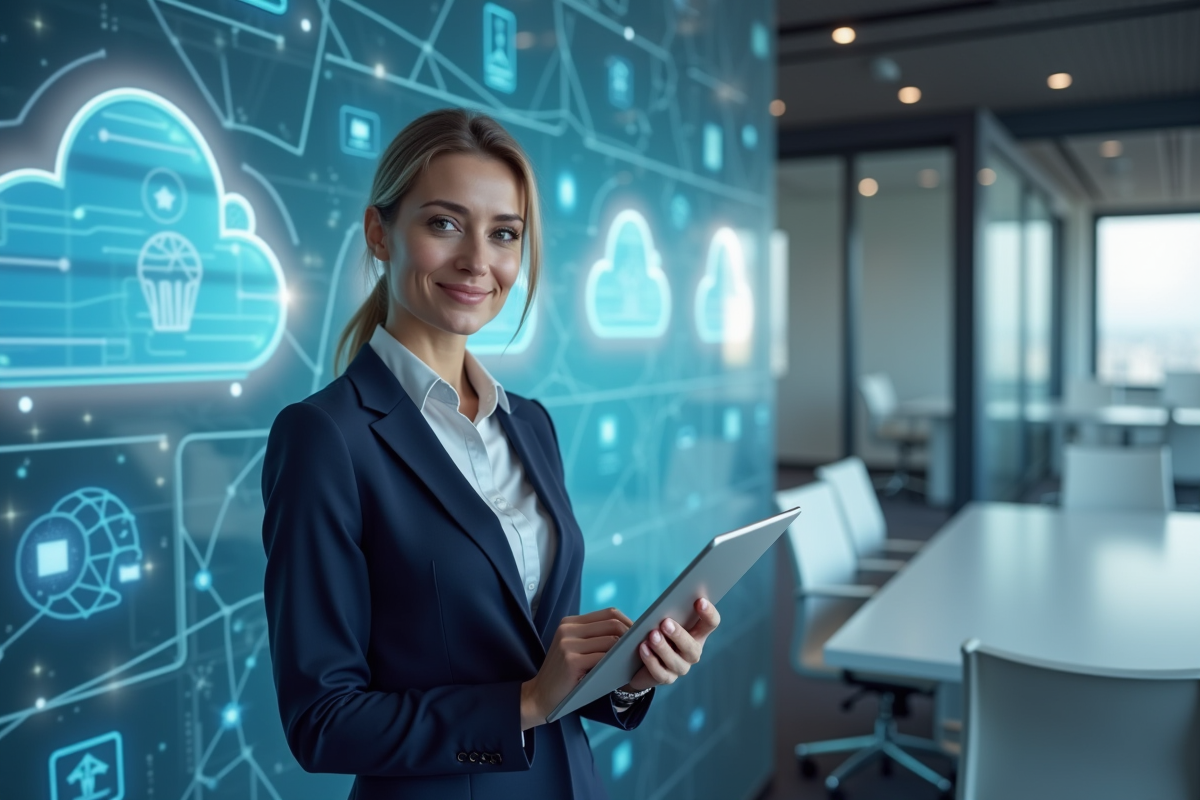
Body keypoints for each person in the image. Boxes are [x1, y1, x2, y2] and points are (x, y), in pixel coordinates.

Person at [261, 108, 722, 800]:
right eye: (444, 224)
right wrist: (525, 705)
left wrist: (622, 678)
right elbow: (321, 722)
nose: (479, 261)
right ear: (379, 233)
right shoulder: (326, 438)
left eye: (504, 234)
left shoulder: (530, 424)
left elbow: (530, 654)